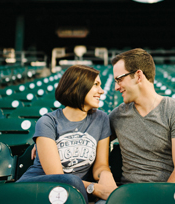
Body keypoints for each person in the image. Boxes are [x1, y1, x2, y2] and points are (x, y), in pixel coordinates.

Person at [18, 65, 116, 203]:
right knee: (72, 181)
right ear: (78, 86)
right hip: (40, 190)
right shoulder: (47, 122)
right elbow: (58, 177)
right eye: (95, 85)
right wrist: (96, 189)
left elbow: (101, 165)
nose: (101, 91)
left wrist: (107, 179)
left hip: (76, 193)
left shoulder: (101, 119)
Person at [110, 48, 175, 184]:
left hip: (165, 193)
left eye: (119, 80)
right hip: (129, 194)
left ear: (138, 76)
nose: (116, 87)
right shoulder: (117, 115)